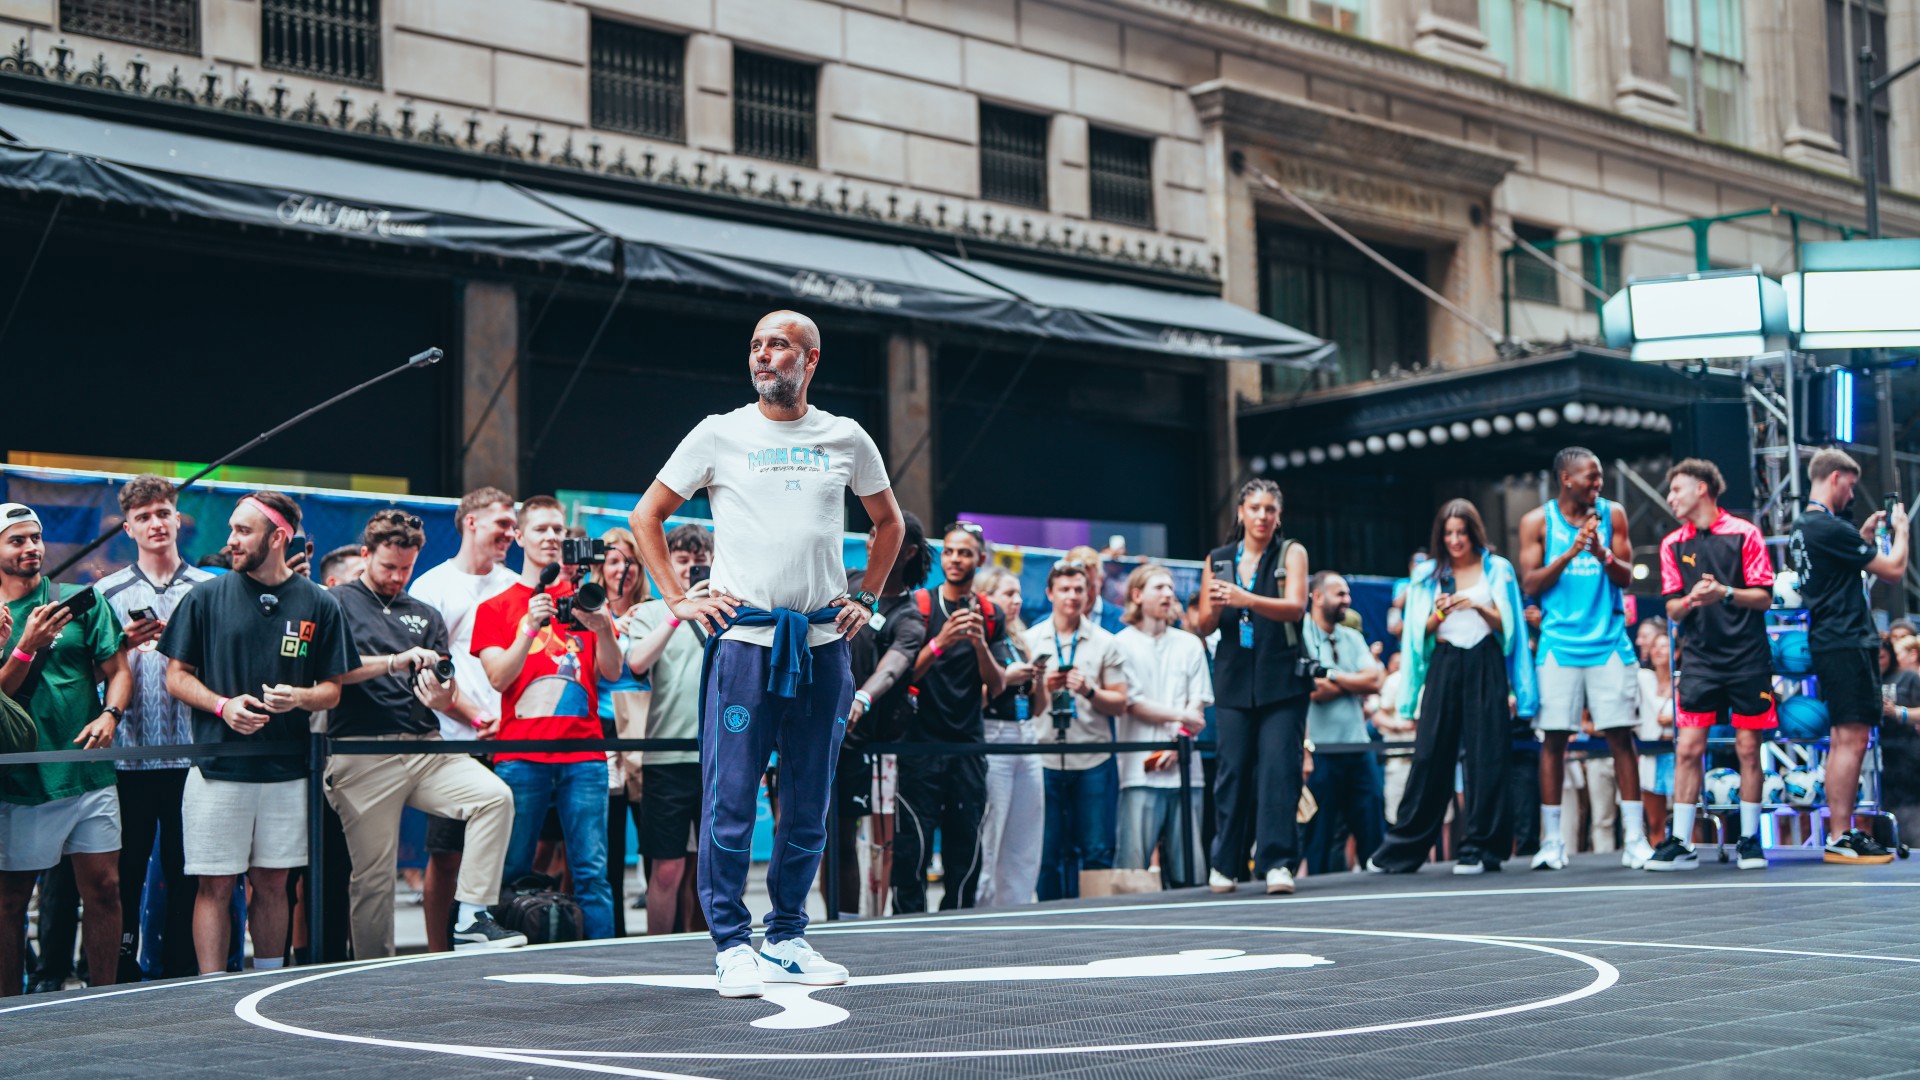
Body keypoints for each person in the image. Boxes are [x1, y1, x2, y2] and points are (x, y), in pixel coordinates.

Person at [629, 309, 902, 998]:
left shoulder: (844, 435)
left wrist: (866, 599)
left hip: (820, 643)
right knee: (730, 800)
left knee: (809, 800)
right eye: (756, 346)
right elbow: (646, 516)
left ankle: (787, 935)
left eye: (778, 346)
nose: (763, 356)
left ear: (810, 359)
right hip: (746, 642)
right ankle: (730, 943)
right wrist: (678, 598)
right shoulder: (720, 432)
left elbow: (890, 523)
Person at [159, 491, 354, 973]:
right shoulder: (204, 596)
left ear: (278, 538)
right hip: (218, 767)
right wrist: (223, 706)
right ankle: (211, 987)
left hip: (287, 771)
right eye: (231, 529)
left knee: (273, 882)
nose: (231, 541)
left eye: (243, 531)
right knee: (216, 884)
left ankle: (265, 978)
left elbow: (332, 690)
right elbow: (175, 677)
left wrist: (299, 697)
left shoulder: (318, 603)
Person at [325, 510, 524, 956]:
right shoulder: (337, 604)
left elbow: (444, 691)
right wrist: (395, 661)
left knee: (495, 798)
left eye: (406, 568)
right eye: (388, 567)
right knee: (374, 878)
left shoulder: (425, 614)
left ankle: (473, 914)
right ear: (364, 556)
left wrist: (443, 694)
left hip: (426, 747)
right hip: (362, 752)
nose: (397, 577)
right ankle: (372, 971)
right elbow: (333, 672)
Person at [473, 495, 622, 939]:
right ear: (518, 536)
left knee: (593, 872)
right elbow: (499, 678)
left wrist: (602, 627)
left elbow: (613, 671)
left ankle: (607, 967)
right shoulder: (496, 607)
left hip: (585, 755)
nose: (551, 537)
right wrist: (526, 630)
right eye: (540, 529)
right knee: (513, 867)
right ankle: (510, 954)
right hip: (521, 755)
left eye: (558, 529)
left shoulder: (588, 602)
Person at [0, 503, 133, 996]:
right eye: (17, 540)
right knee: (11, 901)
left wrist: (110, 714)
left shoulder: (79, 600)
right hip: (22, 779)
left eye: (35, 538)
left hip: (88, 772)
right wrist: (26, 646)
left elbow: (119, 670)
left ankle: (107, 999)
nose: (31, 547)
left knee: (105, 889)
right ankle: (9, 1008)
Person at [1369, 499, 1537, 875]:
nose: (1455, 540)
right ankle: (1402, 850)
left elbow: (1508, 630)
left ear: (1474, 532)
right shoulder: (1427, 573)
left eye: (1461, 532)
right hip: (1444, 662)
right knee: (1430, 755)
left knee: (1488, 755)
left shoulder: (1497, 568)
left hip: (1486, 662)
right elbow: (1416, 634)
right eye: (1448, 533)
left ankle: (1481, 847)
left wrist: (1475, 606)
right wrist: (1442, 611)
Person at [94, 476, 215, 981]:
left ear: (177, 518)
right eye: (143, 516)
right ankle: (120, 966)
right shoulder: (107, 591)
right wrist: (120, 642)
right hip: (129, 756)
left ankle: (182, 969)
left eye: (163, 512)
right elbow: (89, 671)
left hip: (192, 758)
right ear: (128, 528)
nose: (155, 523)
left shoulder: (209, 589)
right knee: (124, 872)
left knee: (190, 870)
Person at [1518, 447, 1652, 871]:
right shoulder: (1537, 521)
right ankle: (1552, 842)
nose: (1598, 485)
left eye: (1600, 478)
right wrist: (1571, 553)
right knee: (1554, 739)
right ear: (1566, 479)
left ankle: (1635, 839)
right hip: (1559, 644)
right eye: (1590, 478)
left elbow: (1628, 575)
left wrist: (1602, 554)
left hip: (1609, 642)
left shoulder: (1613, 515)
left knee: (1620, 737)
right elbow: (1531, 583)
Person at [1646, 459, 1775, 872]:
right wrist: (1691, 601)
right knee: (1687, 748)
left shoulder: (1745, 534)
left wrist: (1725, 592)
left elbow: (1765, 597)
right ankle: (1680, 842)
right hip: (1700, 659)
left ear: (1702, 488)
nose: (1670, 498)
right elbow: (1671, 607)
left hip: (1747, 657)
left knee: (1748, 748)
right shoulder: (1672, 544)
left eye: (1676, 489)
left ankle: (1750, 839)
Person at [408, 487, 518, 951]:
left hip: (513, 737)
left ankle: (483, 930)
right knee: (447, 854)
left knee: (512, 853)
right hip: (453, 737)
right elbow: (426, 672)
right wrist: (473, 716)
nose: (511, 534)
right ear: (471, 522)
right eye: (503, 524)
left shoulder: (516, 585)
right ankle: (437, 954)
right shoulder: (431, 586)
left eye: (515, 526)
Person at [1192, 479, 1312, 895]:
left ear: (1278, 516)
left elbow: (1296, 607)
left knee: (1280, 769)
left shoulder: (1290, 552)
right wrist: (1215, 606)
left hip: (1283, 678)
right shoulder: (1218, 558)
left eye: (1270, 509)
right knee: (1232, 771)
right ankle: (1225, 862)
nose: (1262, 516)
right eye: (1255, 508)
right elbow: (1204, 625)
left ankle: (1277, 862)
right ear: (1241, 512)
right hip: (1233, 678)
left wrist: (1247, 599)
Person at [1790, 448, 1909, 864]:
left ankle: (1841, 831)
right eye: (1852, 484)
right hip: (1846, 638)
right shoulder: (1826, 526)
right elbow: (1893, 569)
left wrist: (1860, 535)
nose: (1852, 492)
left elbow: (1838, 569)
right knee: (1851, 739)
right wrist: (1902, 528)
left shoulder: (1805, 527)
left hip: (1831, 636)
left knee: (1846, 737)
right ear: (1837, 477)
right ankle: (1841, 832)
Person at [897, 523, 1006, 912]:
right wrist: (941, 644)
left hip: (968, 748)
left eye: (964, 552)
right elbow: (903, 675)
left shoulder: (991, 614)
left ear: (980, 558)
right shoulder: (920, 605)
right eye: (949, 552)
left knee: (965, 849)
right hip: (920, 746)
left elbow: (997, 686)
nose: (956, 559)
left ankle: (959, 924)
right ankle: (907, 928)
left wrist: (978, 644)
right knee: (914, 848)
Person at [826, 515, 927, 916]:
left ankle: (846, 925)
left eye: (886, 534)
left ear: (909, 551)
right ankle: (800, 926)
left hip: (859, 743)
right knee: (810, 838)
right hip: (812, 730)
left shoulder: (909, 615)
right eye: (871, 532)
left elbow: (891, 668)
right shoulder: (845, 582)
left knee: (848, 842)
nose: (874, 540)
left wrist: (861, 699)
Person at [625, 523, 716, 935]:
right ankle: (655, 952)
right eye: (682, 561)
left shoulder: (729, 608)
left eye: (699, 562)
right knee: (666, 869)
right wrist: (679, 613)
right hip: (665, 757)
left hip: (719, 757)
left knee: (715, 866)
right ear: (667, 562)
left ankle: (719, 947)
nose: (691, 569)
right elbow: (637, 663)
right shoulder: (647, 611)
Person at [1026, 560, 1130, 900]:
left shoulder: (1105, 642)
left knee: (1097, 849)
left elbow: (1120, 703)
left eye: (1078, 590)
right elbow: (1024, 707)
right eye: (1064, 589)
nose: (1072, 596)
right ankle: (1047, 924)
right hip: (1043, 757)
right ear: (1050, 594)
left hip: (1092, 757)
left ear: (1089, 595)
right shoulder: (1030, 640)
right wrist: (1043, 686)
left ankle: (1098, 923)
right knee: (1046, 851)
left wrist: (1088, 690)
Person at [1112, 563, 1211, 888]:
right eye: (1159, 587)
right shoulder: (1120, 644)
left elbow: (1198, 704)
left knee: (1191, 873)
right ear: (1137, 595)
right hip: (1139, 772)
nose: (1169, 593)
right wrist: (1182, 719)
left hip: (1185, 771)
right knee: (1132, 874)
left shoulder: (1189, 644)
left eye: (1170, 587)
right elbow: (1131, 702)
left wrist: (1178, 740)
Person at [1299, 571, 1385, 876]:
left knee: (1373, 828)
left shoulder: (1352, 636)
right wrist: (1354, 682)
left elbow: (1375, 682)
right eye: (1340, 593)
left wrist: (1332, 674)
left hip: (1358, 745)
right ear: (1317, 596)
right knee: (1320, 836)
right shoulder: (1301, 633)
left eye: (1347, 593)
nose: (1347, 600)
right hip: (1320, 750)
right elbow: (1314, 691)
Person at [973, 564, 1044, 907]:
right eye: (1008, 594)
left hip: (1027, 737)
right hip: (993, 736)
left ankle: (1019, 906)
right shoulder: (978, 637)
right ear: (987, 597)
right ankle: (983, 907)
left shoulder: (1020, 638)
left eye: (1018, 593)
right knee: (991, 832)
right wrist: (1007, 677)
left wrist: (1039, 678)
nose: (1016, 601)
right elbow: (970, 701)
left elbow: (1038, 707)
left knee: (1026, 832)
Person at [594, 527, 650, 934]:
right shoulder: (589, 611)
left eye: (629, 561)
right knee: (609, 833)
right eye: (614, 561)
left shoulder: (652, 609)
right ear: (599, 568)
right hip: (602, 726)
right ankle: (612, 931)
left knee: (651, 831)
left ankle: (662, 934)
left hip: (646, 724)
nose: (622, 569)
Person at [1635, 631, 1675, 845]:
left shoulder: (1683, 679)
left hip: (1678, 753)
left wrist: (1672, 719)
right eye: (1655, 646)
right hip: (1651, 751)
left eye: (1665, 646)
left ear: (1675, 651)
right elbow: (1659, 716)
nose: (1658, 650)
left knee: (1687, 817)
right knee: (1655, 821)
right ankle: (1656, 852)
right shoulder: (1643, 677)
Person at [1370, 652, 1416, 825]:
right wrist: (1399, 725)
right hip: (1399, 761)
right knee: (1396, 819)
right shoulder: (1394, 681)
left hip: (1427, 761)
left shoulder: (1432, 676)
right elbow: (1378, 717)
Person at [1065, 545, 1126, 634]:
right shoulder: (1043, 626)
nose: (1083, 595)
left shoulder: (1123, 621)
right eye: (1076, 588)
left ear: (1101, 580)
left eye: (1089, 586)